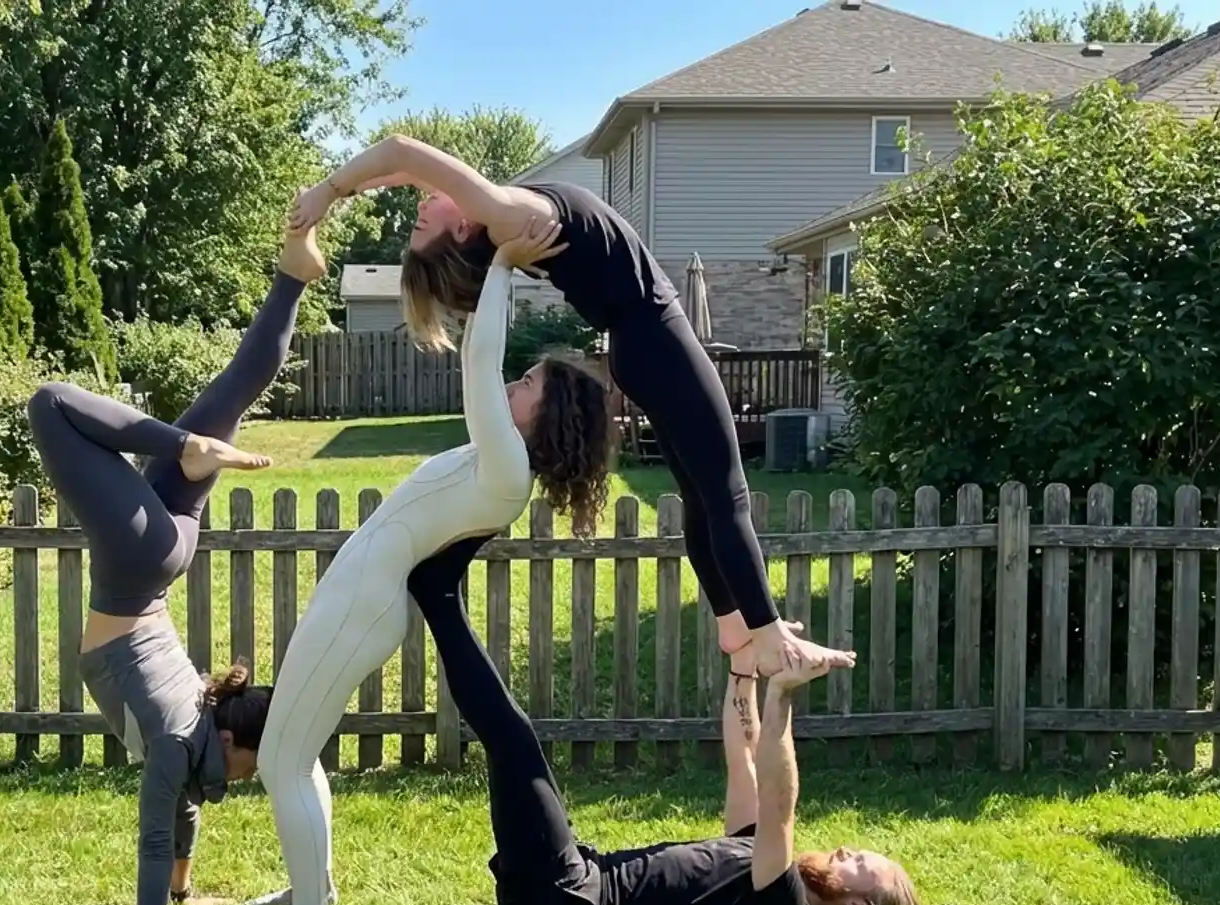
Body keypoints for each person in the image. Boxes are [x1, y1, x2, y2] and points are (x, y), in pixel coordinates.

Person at [286, 137, 855, 685]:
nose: (420, 204)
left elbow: (408, 169)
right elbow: (402, 150)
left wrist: (348, 193)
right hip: (657, 337)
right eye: (423, 223)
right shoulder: (501, 211)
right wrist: (326, 192)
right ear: (461, 228)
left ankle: (735, 628)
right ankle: (771, 638)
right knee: (727, 495)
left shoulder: (497, 219)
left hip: (637, 346)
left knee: (702, 497)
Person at [235, 218, 618, 905]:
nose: (515, 383)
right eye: (524, 376)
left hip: (365, 605)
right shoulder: (494, 459)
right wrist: (485, 267)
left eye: (530, 385)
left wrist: (503, 262)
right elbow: (484, 357)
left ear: (547, 415)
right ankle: (312, 889)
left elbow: (478, 357)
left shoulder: (506, 472)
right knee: (296, 748)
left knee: (282, 757)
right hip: (356, 596)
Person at [24, 225, 325, 905]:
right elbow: (156, 829)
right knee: (50, 404)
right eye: (256, 764)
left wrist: (186, 893)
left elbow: (183, 805)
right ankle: (187, 445)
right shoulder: (178, 741)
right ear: (230, 741)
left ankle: (293, 278)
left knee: (234, 389)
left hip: (155, 565)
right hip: (138, 567)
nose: (253, 779)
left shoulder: (193, 742)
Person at [406, 535, 919, 905]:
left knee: (514, 742)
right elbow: (744, 755)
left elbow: (779, 802)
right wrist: (744, 666)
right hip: (577, 881)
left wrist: (782, 693)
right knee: (514, 744)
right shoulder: (754, 848)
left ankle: (438, 592)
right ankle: (438, 591)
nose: (847, 850)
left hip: (568, 903)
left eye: (859, 864)